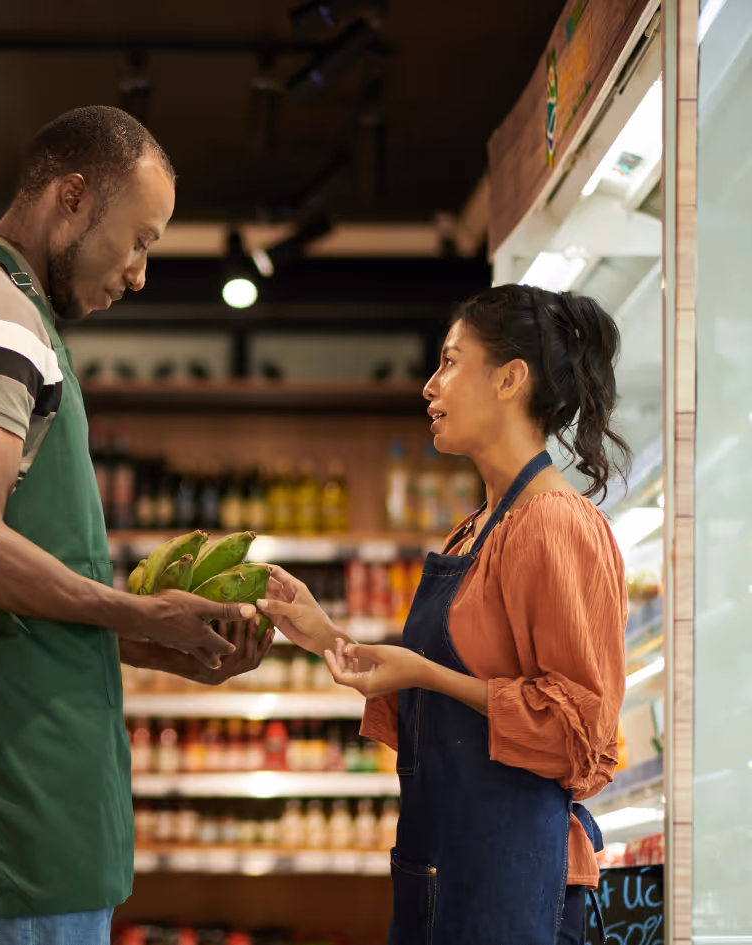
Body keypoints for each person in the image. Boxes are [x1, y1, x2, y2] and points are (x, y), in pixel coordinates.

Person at [0, 105, 269, 945]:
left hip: (24, 742)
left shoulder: (7, 313)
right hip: (12, 758)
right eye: (140, 240)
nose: (138, 273)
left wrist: (164, 646)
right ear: (72, 198)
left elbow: (5, 589)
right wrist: (139, 613)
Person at [259, 284, 629, 944]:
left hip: (512, 880)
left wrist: (426, 674)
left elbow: (580, 734)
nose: (429, 386)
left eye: (449, 362)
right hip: (440, 865)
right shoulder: (475, 529)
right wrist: (326, 637)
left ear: (508, 379)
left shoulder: (551, 523)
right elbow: (443, 720)